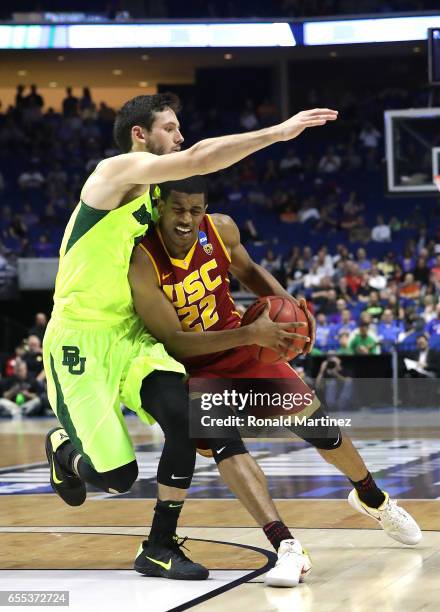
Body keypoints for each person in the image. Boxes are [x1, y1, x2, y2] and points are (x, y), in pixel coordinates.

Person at [43, 93, 339, 582]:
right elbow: (202, 157)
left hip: (133, 338)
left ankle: (159, 546)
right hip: (81, 341)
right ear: (141, 136)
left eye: (180, 130)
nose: (180, 138)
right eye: (171, 129)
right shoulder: (112, 175)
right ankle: (66, 455)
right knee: (116, 477)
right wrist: (276, 133)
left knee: (189, 418)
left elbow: (200, 215)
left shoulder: (160, 195)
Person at [129, 177, 421, 586]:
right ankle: (286, 545)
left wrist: (292, 313)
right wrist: (250, 335)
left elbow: (250, 271)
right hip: (195, 364)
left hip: (245, 347)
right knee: (227, 445)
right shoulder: (143, 259)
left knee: (321, 430)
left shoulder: (221, 229)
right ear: (160, 206)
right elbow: (175, 340)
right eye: (178, 210)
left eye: (195, 211)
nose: (187, 220)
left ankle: (372, 498)